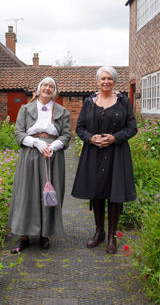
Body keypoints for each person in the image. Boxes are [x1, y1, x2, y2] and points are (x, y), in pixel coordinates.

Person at [71, 66, 137, 254]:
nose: (106, 82)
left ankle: (112, 237)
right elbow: (80, 128)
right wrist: (91, 138)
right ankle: (99, 232)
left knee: (114, 194)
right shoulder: (89, 102)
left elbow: (132, 128)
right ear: (97, 81)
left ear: (114, 81)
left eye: (109, 78)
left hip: (117, 154)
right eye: (103, 79)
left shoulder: (123, 102)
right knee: (97, 192)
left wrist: (115, 137)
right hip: (94, 153)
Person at [8, 76, 71, 254]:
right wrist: (37, 144)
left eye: (51, 86)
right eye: (44, 85)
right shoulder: (25, 109)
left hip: (53, 155)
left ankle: (45, 235)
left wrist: (53, 146)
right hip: (30, 154)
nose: (47, 88)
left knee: (49, 192)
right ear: (37, 89)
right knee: (26, 193)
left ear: (55, 91)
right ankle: (24, 237)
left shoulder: (62, 111)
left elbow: (66, 136)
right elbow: (19, 133)